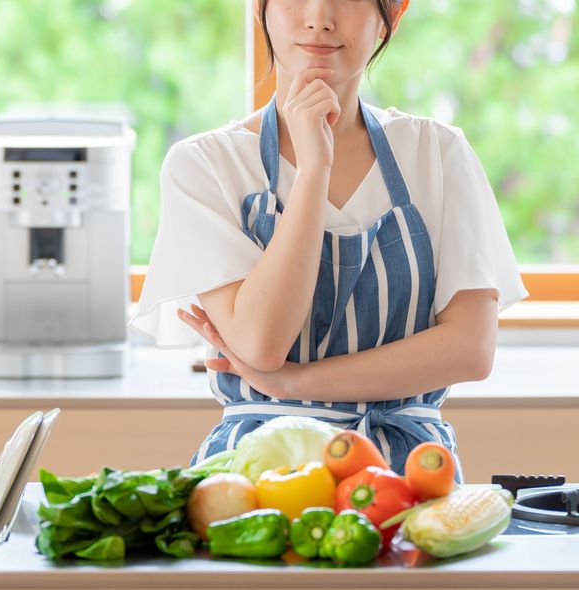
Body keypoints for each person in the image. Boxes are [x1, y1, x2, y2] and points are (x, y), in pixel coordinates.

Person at [128, 0, 529, 481]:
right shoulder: (206, 164)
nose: (319, 16)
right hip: (256, 474)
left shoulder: (437, 153)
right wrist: (315, 169)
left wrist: (294, 383)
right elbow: (261, 344)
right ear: (261, 9)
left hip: (406, 476)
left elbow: (469, 349)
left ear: (392, 16)